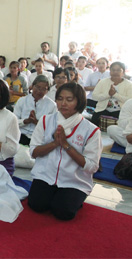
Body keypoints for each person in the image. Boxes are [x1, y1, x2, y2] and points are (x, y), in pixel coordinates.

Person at [28, 82, 102, 220]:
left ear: (79, 102)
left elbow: (92, 166)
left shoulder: (91, 130)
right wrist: (55, 143)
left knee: (63, 212)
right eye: (60, 99)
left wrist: (66, 145)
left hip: (74, 180)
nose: (63, 103)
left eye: (69, 100)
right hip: (46, 175)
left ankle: (73, 197)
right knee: (36, 205)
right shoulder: (45, 121)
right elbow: (33, 152)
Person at [14, 75, 57, 146]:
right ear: (32, 86)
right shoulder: (22, 101)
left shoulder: (52, 105)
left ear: (47, 91)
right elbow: (14, 121)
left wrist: (36, 122)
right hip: (21, 134)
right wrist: (25, 121)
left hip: (39, 138)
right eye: (38, 87)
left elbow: (52, 128)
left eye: (44, 89)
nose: (40, 91)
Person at [91, 61, 132, 126]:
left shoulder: (129, 84)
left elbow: (129, 101)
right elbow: (94, 96)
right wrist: (108, 95)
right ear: (110, 71)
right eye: (113, 70)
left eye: (118, 70)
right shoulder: (102, 82)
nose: (115, 72)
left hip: (121, 111)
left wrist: (115, 94)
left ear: (123, 72)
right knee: (93, 125)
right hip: (102, 109)